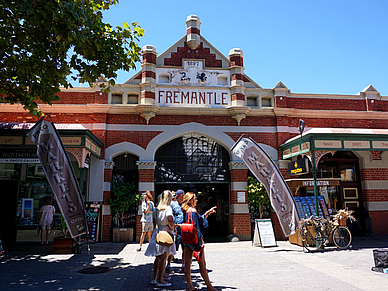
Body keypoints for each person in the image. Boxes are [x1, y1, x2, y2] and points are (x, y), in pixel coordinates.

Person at [180, 192, 218, 291]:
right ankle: (210, 287)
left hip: (187, 239)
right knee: (202, 264)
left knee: (187, 264)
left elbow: (195, 221)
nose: (197, 200)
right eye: (195, 198)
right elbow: (197, 226)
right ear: (191, 200)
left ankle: (190, 286)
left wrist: (207, 213)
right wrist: (200, 241)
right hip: (195, 241)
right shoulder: (193, 210)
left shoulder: (186, 211)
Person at [145, 190, 176, 287]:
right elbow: (170, 219)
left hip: (158, 233)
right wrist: (172, 227)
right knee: (164, 257)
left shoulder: (156, 208)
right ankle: (160, 280)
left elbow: (154, 221)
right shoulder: (168, 209)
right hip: (166, 233)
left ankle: (155, 278)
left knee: (158, 257)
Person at [166, 189, 185, 274]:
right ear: (177, 196)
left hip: (183, 229)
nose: (183, 197)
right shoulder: (173, 205)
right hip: (176, 229)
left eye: (184, 195)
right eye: (181, 196)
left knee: (184, 248)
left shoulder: (183, 205)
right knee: (173, 249)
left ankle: (184, 266)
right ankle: (168, 265)